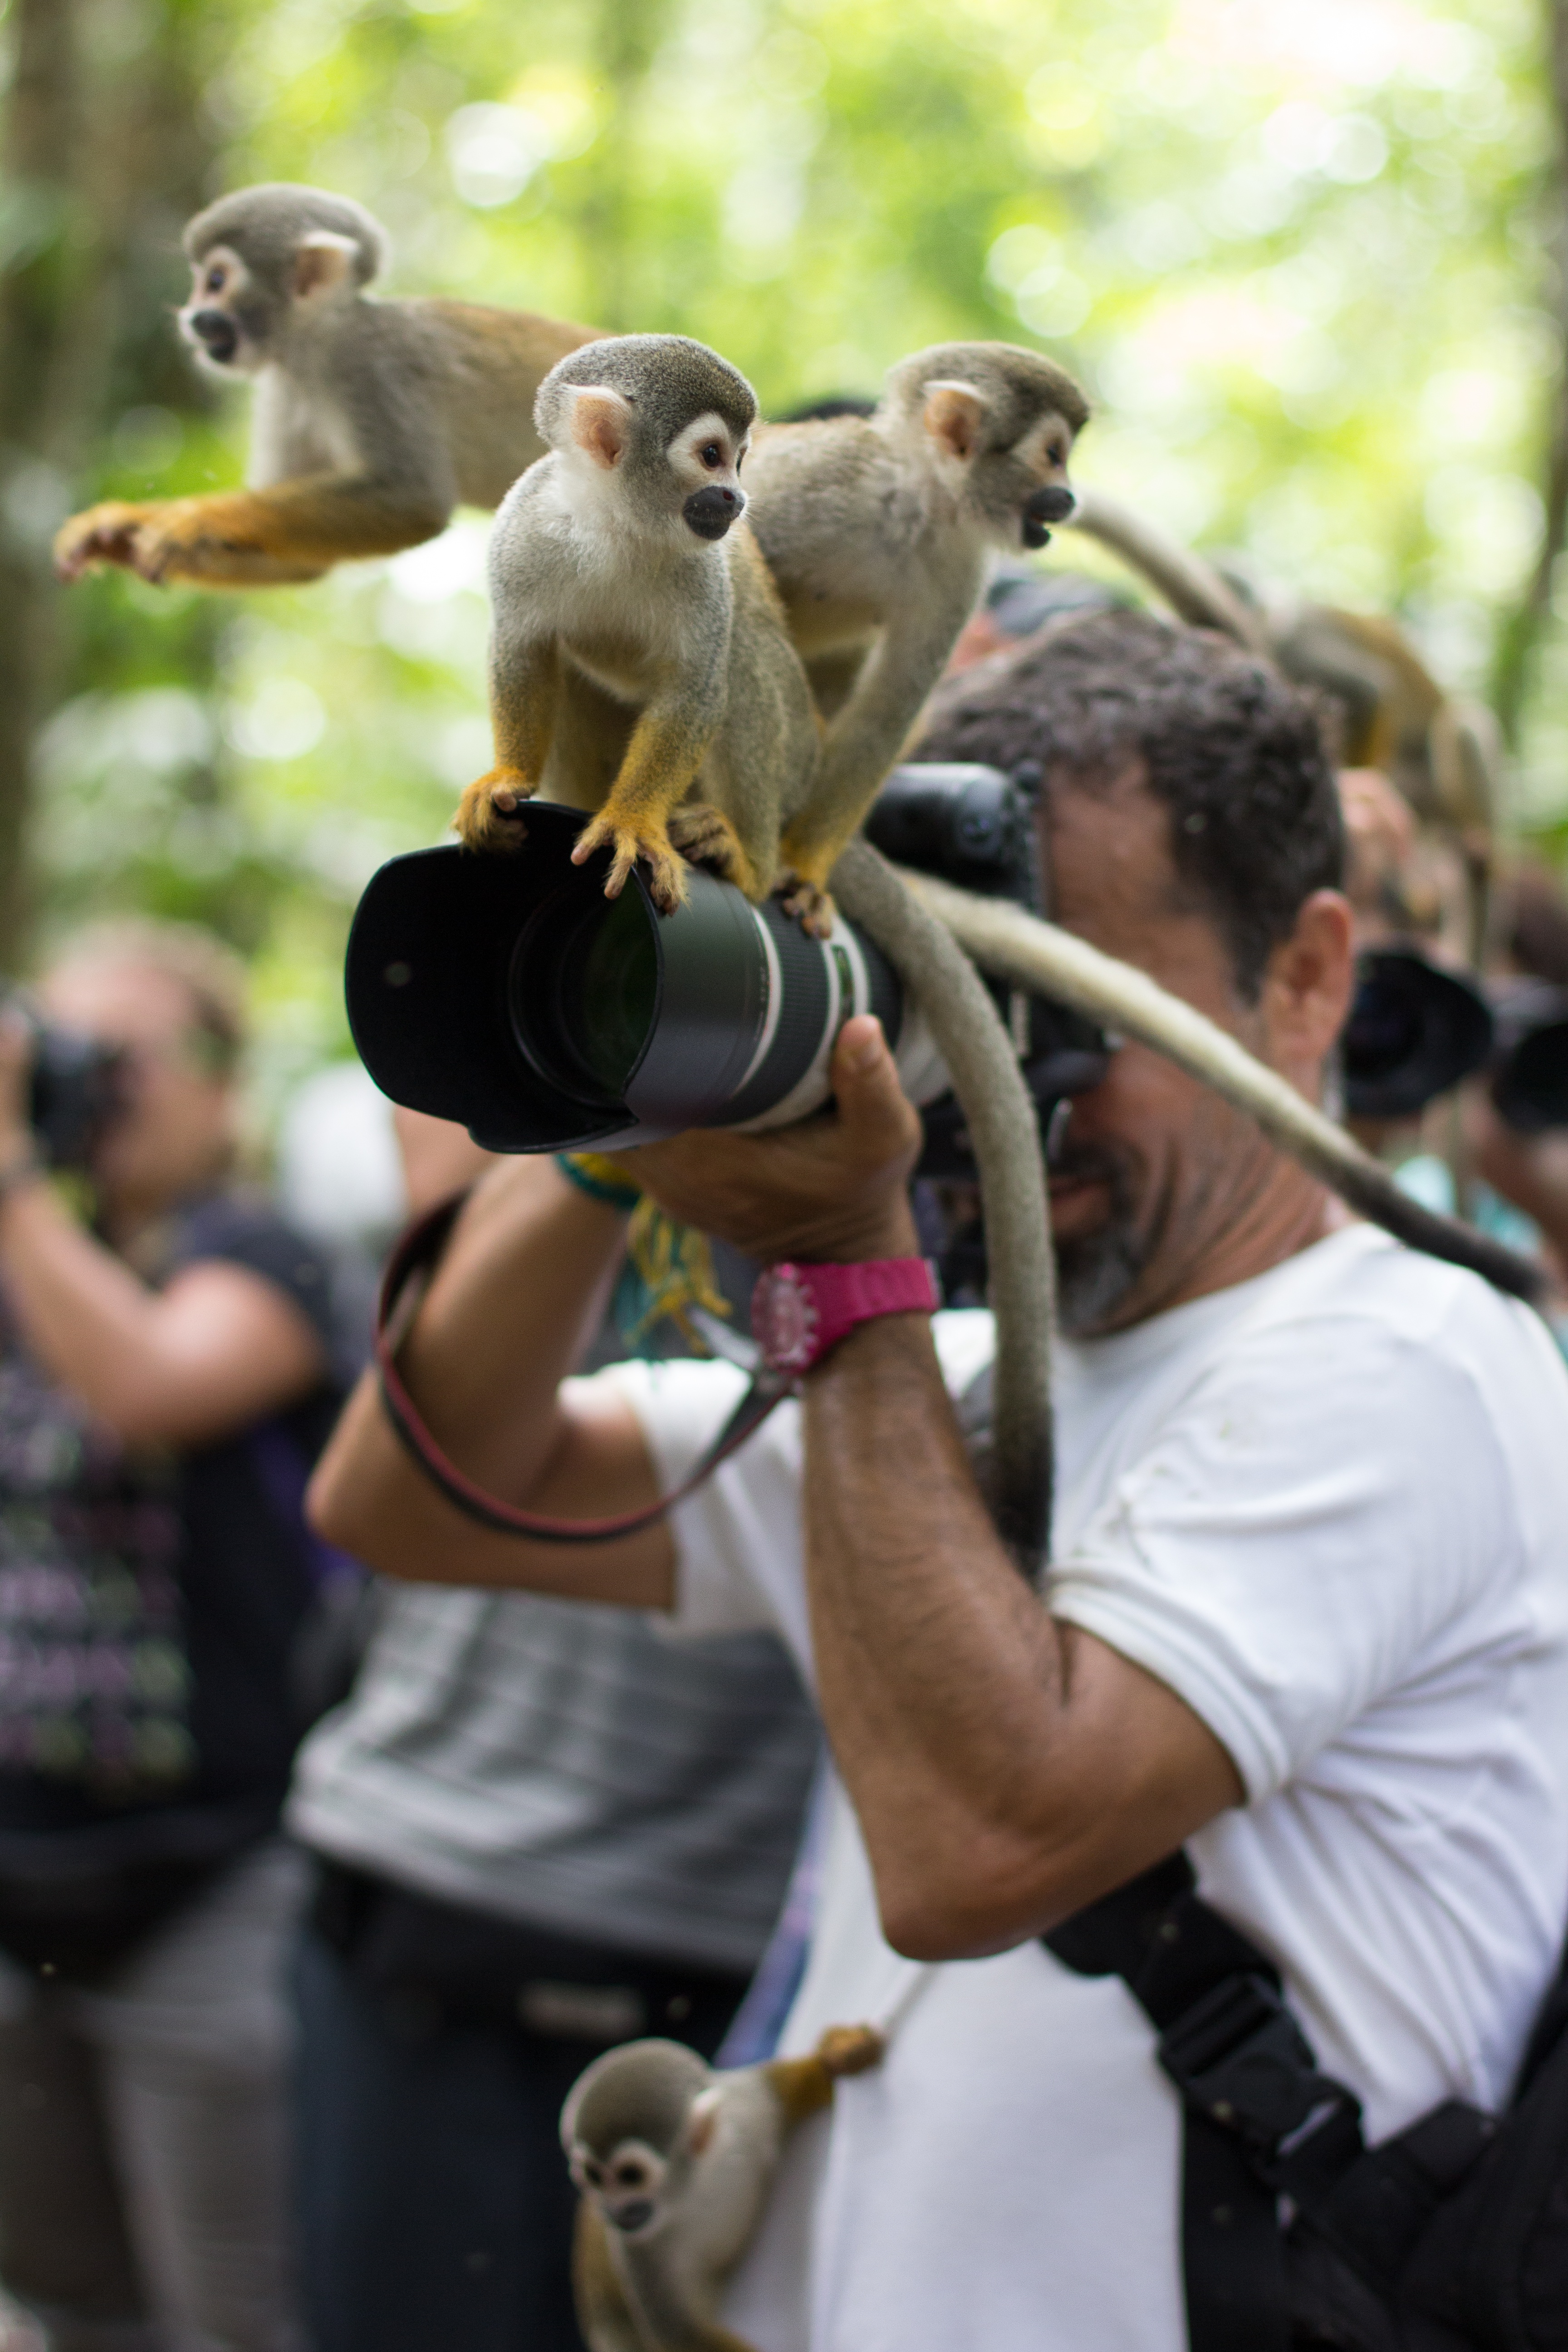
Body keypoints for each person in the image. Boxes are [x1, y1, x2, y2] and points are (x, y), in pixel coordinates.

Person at [309, 611, 1568, 2352]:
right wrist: (639, 1098)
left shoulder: (1405, 1361)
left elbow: (980, 1851)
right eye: (945, 998)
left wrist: (840, 1262)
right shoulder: (968, 1380)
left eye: (1052, 1011)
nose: (991, 1093)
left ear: (1306, 978)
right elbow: (428, 1495)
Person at [287, 1107, 819, 2352]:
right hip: (423, 1904)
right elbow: (412, 1463)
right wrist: (599, 1110)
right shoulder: (551, 1134)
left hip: (716, 1959)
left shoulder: (879, 1162)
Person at [0, 921, 343, 2352]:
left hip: (215, 1879)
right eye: (70, 1054)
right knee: (70, 2306)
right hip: (19, 1886)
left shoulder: (263, 1257)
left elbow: (145, 1387)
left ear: (221, 1084)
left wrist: (13, 1179)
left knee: (235, 2315)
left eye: (128, 1057)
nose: (98, 1090)